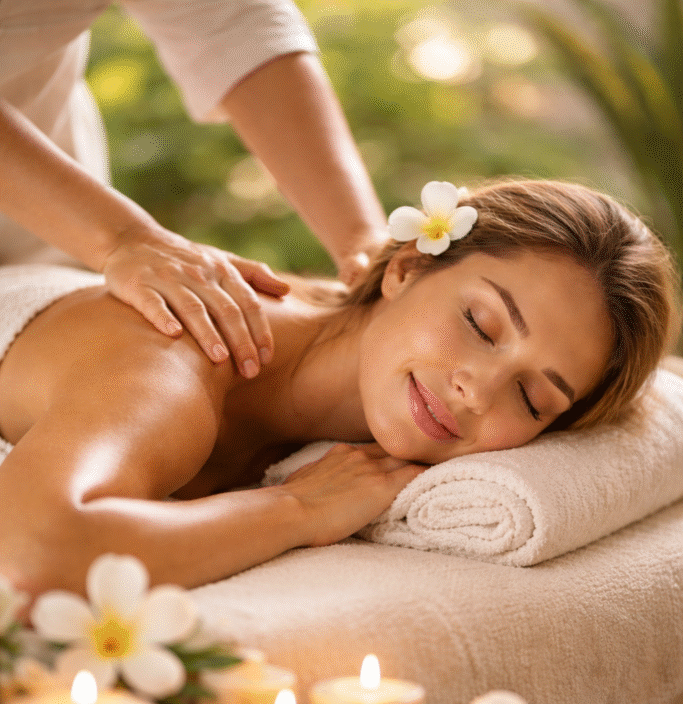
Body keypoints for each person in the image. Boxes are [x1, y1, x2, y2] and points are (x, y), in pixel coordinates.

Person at [0, 178, 677, 599]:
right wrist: (296, 509)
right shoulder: (175, 358)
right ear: (407, 268)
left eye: (534, 400)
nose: (478, 391)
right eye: (480, 323)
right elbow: (33, 554)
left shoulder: (344, 375)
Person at [0, 0, 388, 374]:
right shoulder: (159, 371)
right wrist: (123, 237)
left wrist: (362, 241)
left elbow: (234, 22)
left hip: (48, 241)